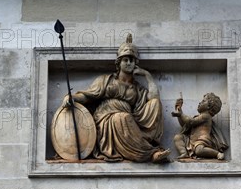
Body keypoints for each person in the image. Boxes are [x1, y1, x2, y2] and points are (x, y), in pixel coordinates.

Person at [62, 34, 170, 163]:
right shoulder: (106, 80)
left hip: (130, 120)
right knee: (122, 118)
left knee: (154, 104)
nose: (129, 63)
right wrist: (72, 97)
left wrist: (148, 76)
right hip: (106, 119)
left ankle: (147, 149)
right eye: (125, 60)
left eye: (132, 60)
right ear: (119, 63)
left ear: (136, 64)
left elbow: (154, 98)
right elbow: (88, 96)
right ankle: (150, 153)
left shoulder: (137, 88)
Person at [171, 92, 228, 160]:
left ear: (209, 106)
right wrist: (179, 113)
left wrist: (181, 114)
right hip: (191, 140)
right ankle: (184, 153)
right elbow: (185, 125)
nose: (200, 103)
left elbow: (190, 121)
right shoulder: (199, 117)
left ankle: (217, 153)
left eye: (203, 101)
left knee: (199, 150)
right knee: (178, 137)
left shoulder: (206, 116)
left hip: (201, 140)